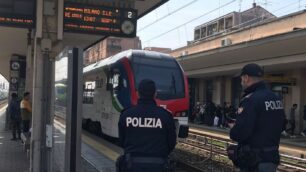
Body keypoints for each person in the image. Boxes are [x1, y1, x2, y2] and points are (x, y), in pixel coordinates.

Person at [227, 63, 285, 172]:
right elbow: (282, 125)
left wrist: (233, 129)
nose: (241, 82)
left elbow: (240, 133)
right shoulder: (275, 98)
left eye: (241, 79)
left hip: (254, 161)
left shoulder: (250, 100)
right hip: (272, 157)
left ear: (246, 78)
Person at [117, 79, 176, 172]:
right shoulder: (165, 116)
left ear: (138, 94)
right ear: (155, 94)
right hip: (159, 167)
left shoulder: (126, 114)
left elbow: (121, 141)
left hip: (131, 165)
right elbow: (171, 143)